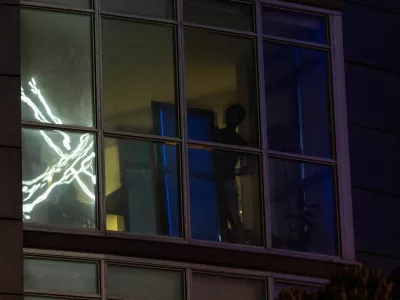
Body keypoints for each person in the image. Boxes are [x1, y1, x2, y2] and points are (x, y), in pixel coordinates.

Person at [213, 104, 248, 243]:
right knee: (226, 213)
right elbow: (247, 168)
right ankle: (229, 241)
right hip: (223, 179)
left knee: (228, 213)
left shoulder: (220, 135)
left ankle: (234, 242)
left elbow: (247, 167)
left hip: (224, 180)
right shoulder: (237, 140)